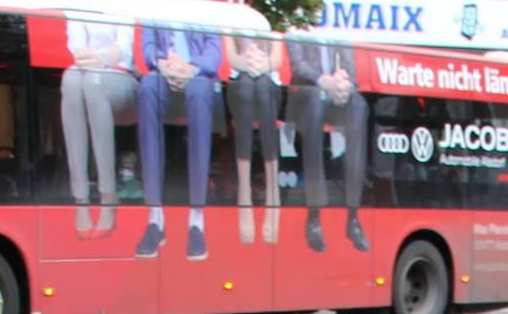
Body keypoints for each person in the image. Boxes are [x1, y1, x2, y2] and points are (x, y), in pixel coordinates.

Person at [137, 21, 223, 260]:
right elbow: (148, 49)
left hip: (196, 75)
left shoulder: (206, 15)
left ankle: (196, 220)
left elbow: (215, 54)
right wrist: (164, 65)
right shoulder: (153, 13)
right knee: (147, 87)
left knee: (199, 90)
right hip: (164, 73)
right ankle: (155, 218)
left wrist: (190, 68)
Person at [289, 33, 370, 254]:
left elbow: (351, 73)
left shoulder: (338, 32)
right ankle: (314, 216)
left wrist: (345, 86)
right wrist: (325, 82)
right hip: (307, 94)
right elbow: (299, 67)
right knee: (315, 101)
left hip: (337, 97)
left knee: (360, 105)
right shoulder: (297, 29)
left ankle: (353, 218)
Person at [57, 13, 139, 234]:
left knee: (94, 83)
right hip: (84, 71)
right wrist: (85, 57)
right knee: (70, 79)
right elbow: (76, 45)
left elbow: (122, 48)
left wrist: (101, 60)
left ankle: (108, 193)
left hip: (119, 74)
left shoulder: (121, 6)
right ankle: (80, 198)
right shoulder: (76, 8)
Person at [225, 31, 287, 246]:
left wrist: (261, 65)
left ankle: (273, 190)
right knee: (244, 87)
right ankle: (244, 190)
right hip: (240, 81)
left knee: (262, 88)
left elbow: (276, 60)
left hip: (267, 82)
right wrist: (247, 63)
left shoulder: (273, 32)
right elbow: (232, 58)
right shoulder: (231, 29)